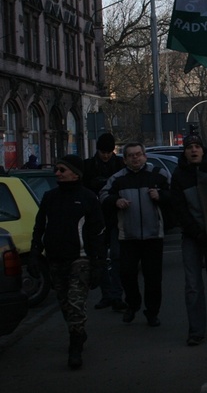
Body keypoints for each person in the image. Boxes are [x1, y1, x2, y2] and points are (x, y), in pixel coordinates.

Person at [28, 155, 106, 368]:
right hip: (55, 259)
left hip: (80, 259)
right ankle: (78, 332)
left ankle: (75, 347)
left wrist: (98, 263)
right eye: (56, 169)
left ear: (75, 173)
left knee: (75, 302)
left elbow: (97, 232)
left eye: (62, 170)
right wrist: (35, 253)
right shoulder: (50, 197)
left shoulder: (88, 198)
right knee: (64, 303)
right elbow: (39, 227)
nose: (57, 173)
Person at [99, 142, 171, 327]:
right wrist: (116, 201)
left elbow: (174, 196)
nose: (135, 158)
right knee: (127, 274)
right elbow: (103, 195)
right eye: (131, 155)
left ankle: (152, 312)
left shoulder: (158, 174)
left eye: (138, 154)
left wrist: (160, 195)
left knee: (153, 278)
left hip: (153, 235)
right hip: (128, 236)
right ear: (125, 160)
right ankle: (133, 304)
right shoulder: (117, 179)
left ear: (144, 156)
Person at [171, 133, 207, 346]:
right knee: (193, 284)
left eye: (197, 146)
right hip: (192, 237)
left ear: (203, 150)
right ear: (184, 151)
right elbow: (179, 209)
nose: (194, 150)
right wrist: (196, 232)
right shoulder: (179, 176)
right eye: (189, 147)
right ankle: (196, 330)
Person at [83, 132, 127, 312]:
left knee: (116, 257)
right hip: (96, 219)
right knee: (99, 258)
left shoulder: (119, 164)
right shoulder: (88, 166)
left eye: (109, 152)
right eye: (103, 152)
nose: (106, 155)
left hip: (116, 217)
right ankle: (107, 294)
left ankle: (115, 295)